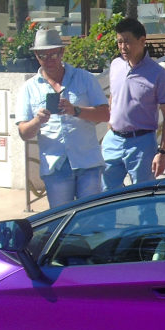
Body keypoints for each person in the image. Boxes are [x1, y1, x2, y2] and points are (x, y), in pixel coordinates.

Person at [16, 28, 109, 208]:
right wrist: (37, 121)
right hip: (55, 167)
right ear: (36, 56)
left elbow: (105, 114)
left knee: (91, 220)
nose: (49, 60)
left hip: (87, 162)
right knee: (61, 221)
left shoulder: (85, 78)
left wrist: (76, 110)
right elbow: (23, 133)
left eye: (53, 55)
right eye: (43, 55)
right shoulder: (29, 88)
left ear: (62, 52)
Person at [102, 16, 165, 191]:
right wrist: (109, 127)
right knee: (105, 197)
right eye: (119, 42)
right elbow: (113, 97)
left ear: (142, 40)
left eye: (127, 41)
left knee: (143, 198)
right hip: (113, 141)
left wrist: (162, 152)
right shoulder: (116, 65)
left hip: (141, 144)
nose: (122, 47)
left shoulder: (158, 74)